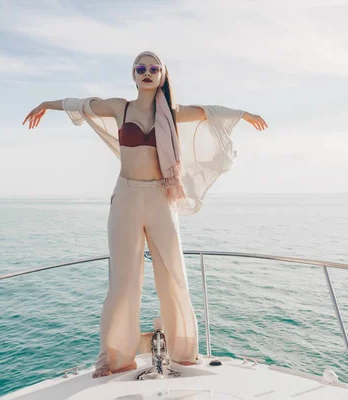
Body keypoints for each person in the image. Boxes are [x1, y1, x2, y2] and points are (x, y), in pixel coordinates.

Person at [22, 51, 267, 378]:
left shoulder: (173, 113)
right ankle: (116, 358)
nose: (147, 72)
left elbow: (210, 112)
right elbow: (79, 103)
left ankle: (183, 352)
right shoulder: (119, 107)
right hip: (126, 197)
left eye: (154, 68)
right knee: (123, 281)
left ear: (163, 75)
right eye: (141, 68)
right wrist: (45, 105)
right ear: (133, 75)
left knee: (173, 273)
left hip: (161, 198)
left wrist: (244, 114)